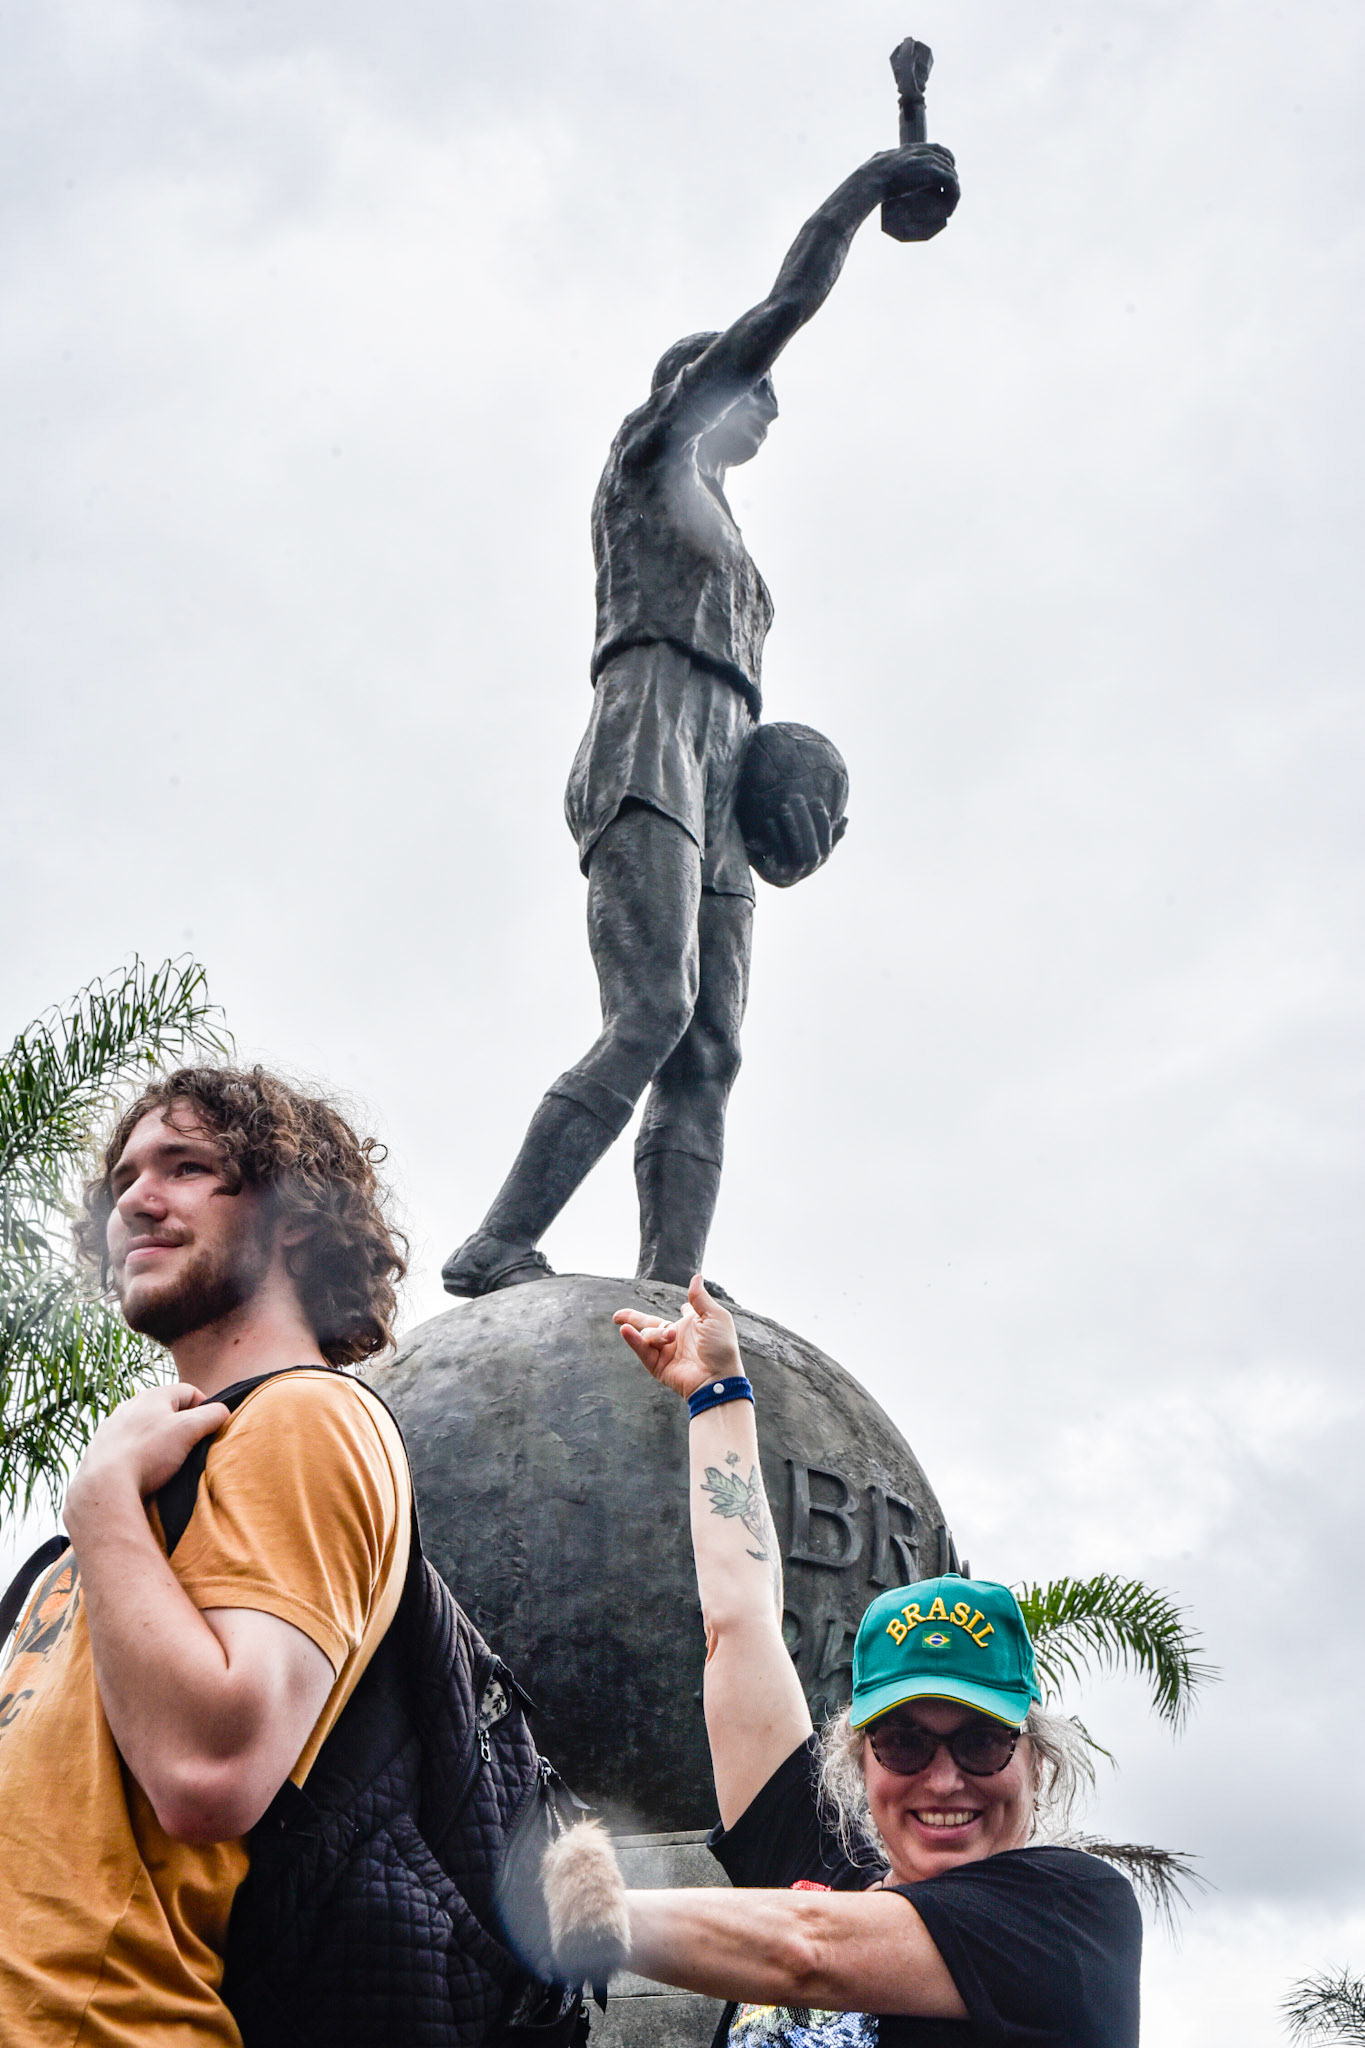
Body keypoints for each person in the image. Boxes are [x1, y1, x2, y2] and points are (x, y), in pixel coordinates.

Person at [442, 136, 960, 1299]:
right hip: (647, 729)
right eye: (752, 386)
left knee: (712, 1048)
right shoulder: (651, 459)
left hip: (724, 763)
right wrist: (875, 183)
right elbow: (787, 301)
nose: (770, 405)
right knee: (653, 1009)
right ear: (699, 389)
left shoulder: (740, 549)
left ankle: (672, 1281)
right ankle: (494, 1241)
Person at [611, 1278, 1143, 2046]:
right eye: (903, 1742)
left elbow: (806, 1951)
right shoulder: (819, 1865)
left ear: (1032, 1756)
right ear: (861, 1759)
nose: (943, 1777)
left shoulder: (1066, 1913)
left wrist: (579, 1910)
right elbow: (739, 1622)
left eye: (980, 1741)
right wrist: (716, 1392)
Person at [0, 1065, 410, 2046]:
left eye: (187, 1167)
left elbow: (207, 1771)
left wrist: (96, 1496)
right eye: (128, 1176)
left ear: (294, 1215)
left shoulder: (306, 1415)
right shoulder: (146, 1481)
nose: (137, 1198)